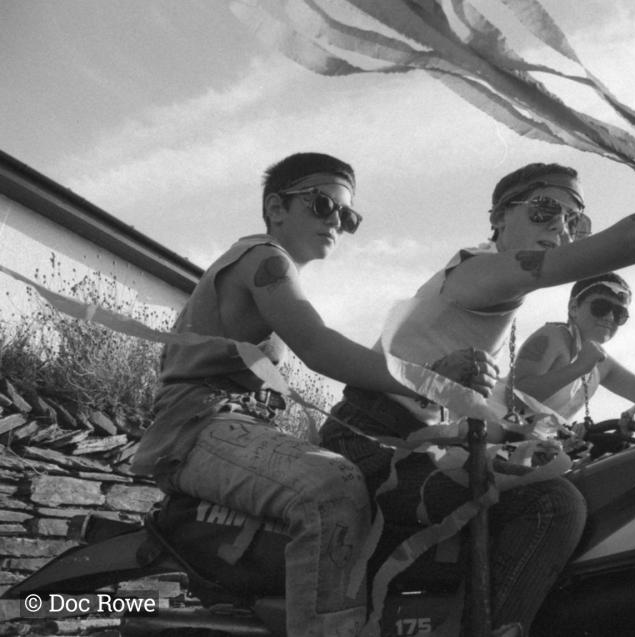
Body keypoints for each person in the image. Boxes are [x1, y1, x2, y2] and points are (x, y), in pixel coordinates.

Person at [320, 152, 635, 635]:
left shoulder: (497, 294)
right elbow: (625, 241)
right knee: (553, 506)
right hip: (376, 441)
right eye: (545, 210)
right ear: (499, 217)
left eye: (574, 221)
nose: (561, 228)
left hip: (420, 439)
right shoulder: (477, 273)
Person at [131, 153, 496, 637]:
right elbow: (320, 347)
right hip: (197, 427)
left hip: (225, 424)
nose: (336, 224)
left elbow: (335, 354)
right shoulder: (265, 258)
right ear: (277, 207)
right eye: (324, 205)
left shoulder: (267, 265)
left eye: (348, 216)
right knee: (333, 485)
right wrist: (431, 379)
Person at [502, 272, 635, 427]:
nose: (610, 317)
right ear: (573, 307)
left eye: (619, 313)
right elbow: (514, 399)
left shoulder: (601, 362)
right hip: (492, 441)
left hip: (538, 451)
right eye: (600, 307)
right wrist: (579, 367)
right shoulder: (553, 336)